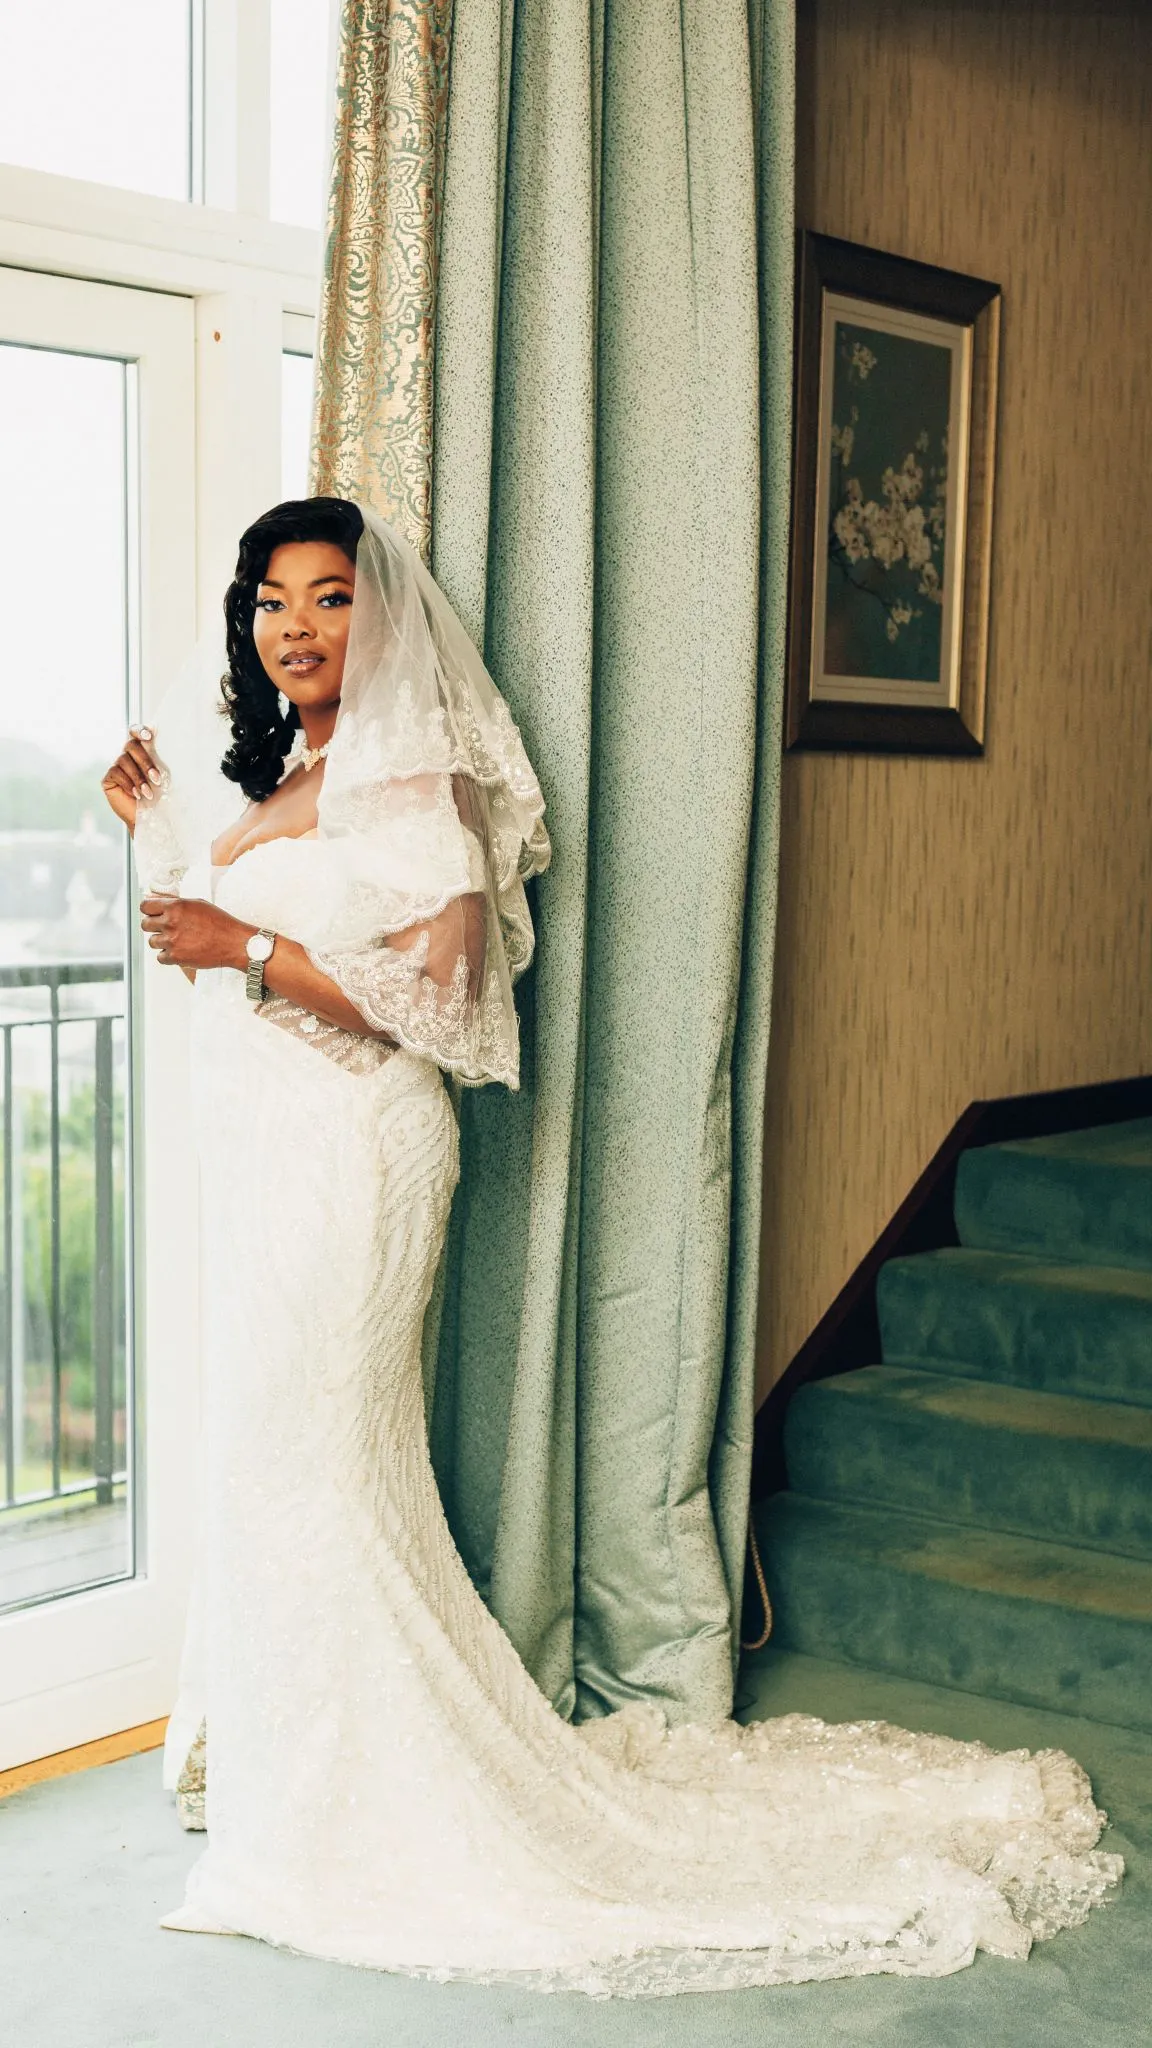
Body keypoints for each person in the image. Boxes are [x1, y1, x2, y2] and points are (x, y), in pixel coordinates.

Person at [101, 498, 1120, 1996]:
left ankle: (359, 1801)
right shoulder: (293, 777)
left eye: (328, 597)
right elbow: (238, 941)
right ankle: (300, 1770)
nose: (294, 628)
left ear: (382, 619)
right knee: (282, 1460)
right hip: (269, 1165)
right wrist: (169, 841)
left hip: (359, 1157)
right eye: (270, 600)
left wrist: (243, 944)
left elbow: (450, 1007)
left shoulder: (416, 783)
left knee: (317, 1458)